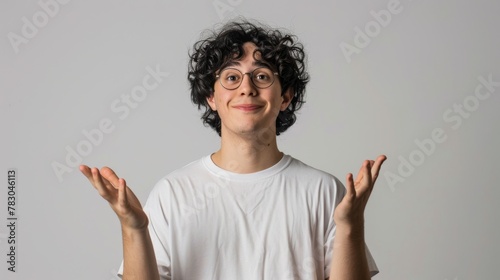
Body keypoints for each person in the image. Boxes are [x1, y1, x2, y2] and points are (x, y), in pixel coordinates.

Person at [80, 20, 386, 280]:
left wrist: (351, 225)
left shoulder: (322, 190)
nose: (246, 87)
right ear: (211, 98)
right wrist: (134, 228)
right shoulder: (174, 193)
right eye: (231, 77)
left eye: (262, 76)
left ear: (285, 97)